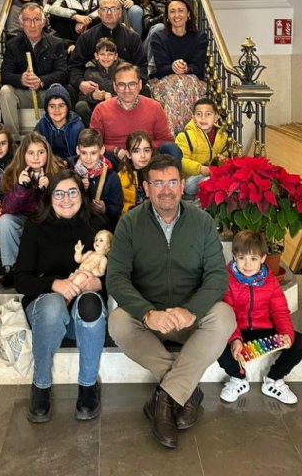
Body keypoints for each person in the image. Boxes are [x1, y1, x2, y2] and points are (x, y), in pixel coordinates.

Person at [107, 154, 236, 449]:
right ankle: (187, 391)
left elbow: (217, 276)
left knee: (224, 316)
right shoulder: (129, 224)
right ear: (147, 187)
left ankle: (164, 400)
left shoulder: (202, 222)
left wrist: (192, 310)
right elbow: (116, 279)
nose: (166, 190)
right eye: (159, 183)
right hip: (150, 320)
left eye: (172, 182)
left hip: (189, 318)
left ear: (182, 186)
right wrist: (146, 313)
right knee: (117, 322)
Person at [14, 169, 108, 423]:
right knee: (54, 304)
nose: (66, 199)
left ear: (82, 195)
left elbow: (116, 276)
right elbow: (20, 278)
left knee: (91, 303)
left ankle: (88, 386)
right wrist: (55, 284)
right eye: (59, 193)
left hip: (82, 320)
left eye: (72, 192)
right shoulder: (35, 227)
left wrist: (98, 284)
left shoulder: (97, 225)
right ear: (50, 197)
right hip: (47, 314)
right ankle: (41, 384)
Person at [218, 230, 302, 405]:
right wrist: (235, 338)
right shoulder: (227, 281)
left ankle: (274, 379)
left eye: (253, 259)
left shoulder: (271, 282)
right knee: (216, 346)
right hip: (238, 331)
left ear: (263, 258)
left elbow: (280, 312)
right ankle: (238, 378)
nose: (247, 264)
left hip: (264, 330)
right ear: (234, 256)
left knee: (300, 342)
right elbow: (227, 313)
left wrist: (286, 335)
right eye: (242, 257)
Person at [0, 132, 62, 280]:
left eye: (40, 152)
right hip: (23, 218)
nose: (36, 158)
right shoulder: (12, 172)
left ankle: (45, 269)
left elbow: (64, 207)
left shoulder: (59, 171)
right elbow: (7, 208)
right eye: (31, 153)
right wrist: (21, 187)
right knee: (4, 222)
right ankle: (12, 269)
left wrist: (49, 189)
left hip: (47, 218)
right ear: (23, 155)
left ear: (48, 153)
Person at [89, 63, 182, 167]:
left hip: (147, 159)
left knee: (172, 148)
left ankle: (170, 180)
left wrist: (143, 149)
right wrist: (116, 151)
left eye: (132, 84)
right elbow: (93, 144)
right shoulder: (101, 110)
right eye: (121, 85)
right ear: (114, 86)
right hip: (115, 161)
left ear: (140, 85)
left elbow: (166, 140)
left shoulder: (154, 107)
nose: (127, 90)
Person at [0, 3, 68, 142]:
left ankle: (56, 136)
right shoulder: (13, 45)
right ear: (21, 23)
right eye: (27, 20)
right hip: (23, 94)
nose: (32, 25)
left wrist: (41, 81)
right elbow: (5, 74)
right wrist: (21, 79)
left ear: (43, 22)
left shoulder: (56, 43)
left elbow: (63, 73)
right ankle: (14, 140)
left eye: (36, 19)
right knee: (5, 90)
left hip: (46, 94)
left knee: (58, 89)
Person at [149, 0, 207, 134]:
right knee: (177, 87)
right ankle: (178, 136)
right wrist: (172, 67)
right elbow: (162, 69)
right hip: (163, 82)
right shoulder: (158, 37)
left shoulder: (200, 37)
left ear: (188, 14)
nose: (177, 15)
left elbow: (198, 69)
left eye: (180, 10)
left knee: (183, 84)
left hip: (192, 82)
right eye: (172, 11)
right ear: (167, 16)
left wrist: (187, 68)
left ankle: (181, 136)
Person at [68, 0, 148, 99]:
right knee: (78, 99)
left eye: (113, 9)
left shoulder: (133, 38)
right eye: (105, 9)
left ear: (119, 12)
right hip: (95, 91)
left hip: (125, 90)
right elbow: (74, 66)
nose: (109, 13)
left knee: (145, 89)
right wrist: (80, 83)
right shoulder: (86, 38)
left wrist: (129, 85)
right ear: (99, 13)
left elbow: (142, 68)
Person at [175, 98, 228, 195]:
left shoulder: (222, 136)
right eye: (199, 114)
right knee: (208, 181)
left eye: (208, 114)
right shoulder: (185, 137)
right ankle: (199, 205)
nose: (203, 118)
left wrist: (223, 160)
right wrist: (200, 168)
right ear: (193, 117)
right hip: (191, 178)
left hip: (214, 174)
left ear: (216, 117)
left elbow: (226, 155)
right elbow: (181, 161)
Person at [73, 128, 123, 228]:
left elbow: (117, 207)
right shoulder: (71, 173)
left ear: (102, 150)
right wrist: (79, 188)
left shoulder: (112, 177)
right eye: (84, 153)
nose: (88, 158)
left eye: (93, 153)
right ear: (77, 150)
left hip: (102, 227)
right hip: (77, 224)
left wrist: (105, 209)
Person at [142, 0, 183, 74]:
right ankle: (151, 67)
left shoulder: (179, 0)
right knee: (160, 27)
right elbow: (147, 24)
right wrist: (165, 15)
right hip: (151, 42)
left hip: (171, 41)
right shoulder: (151, 0)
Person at [74, 38, 119, 127]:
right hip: (98, 111)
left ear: (116, 56)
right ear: (96, 56)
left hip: (119, 109)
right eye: (102, 54)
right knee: (81, 106)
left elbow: (130, 94)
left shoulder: (123, 70)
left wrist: (112, 98)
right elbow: (81, 98)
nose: (106, 58)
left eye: (110, 54)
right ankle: (96, 133)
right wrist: (93, 96)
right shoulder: (89, 72)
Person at [34, 83, 84, 162]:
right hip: (48, 165)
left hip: (72, 167)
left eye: (61, 106)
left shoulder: (78, 127)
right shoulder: (41, 126)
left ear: (68, 107)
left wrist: (68, 162)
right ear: (46, 109)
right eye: (52, 106)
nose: (56, 110)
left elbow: (83, 152)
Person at [117, 131, 154, 215]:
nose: (143, 155)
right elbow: (119, 205)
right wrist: (131, 210)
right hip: (133, 217)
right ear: (128, 154)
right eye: (136, 151)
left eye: (147, 150)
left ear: (152, 152)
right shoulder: (121, 176)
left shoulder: (158, 173)